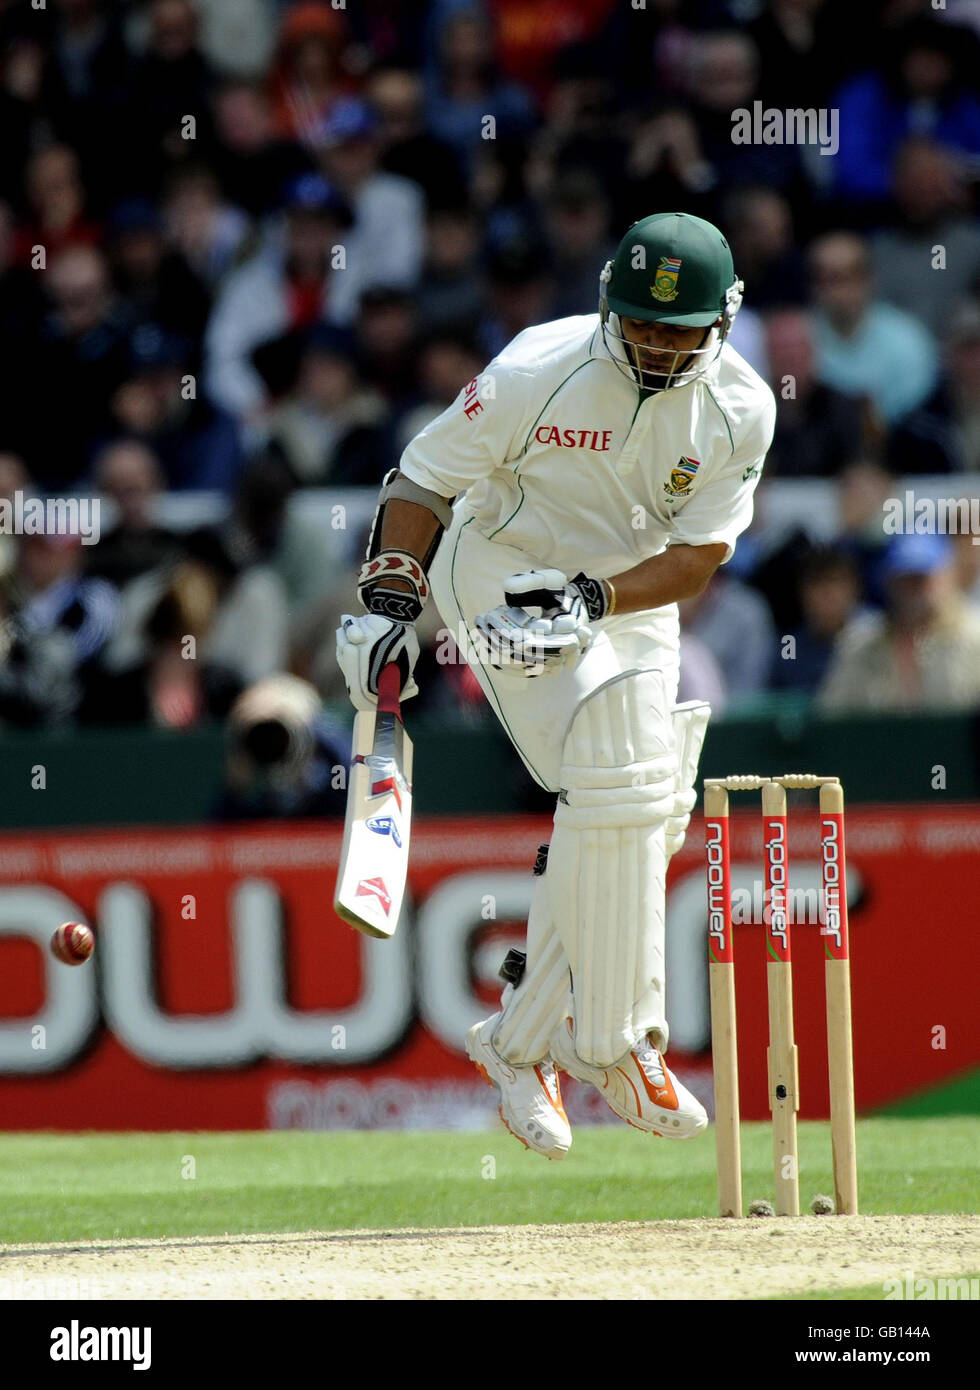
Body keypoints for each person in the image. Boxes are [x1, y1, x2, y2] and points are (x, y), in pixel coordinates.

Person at [336, 211, 775, 1158]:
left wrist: (600, 594)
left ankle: (520, 1041)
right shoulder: (537, 368)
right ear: (609, 306)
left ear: (723, 321)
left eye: (679, 329)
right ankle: (621, 1044)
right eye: (642, 324)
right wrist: (387, 601)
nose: (658, 346)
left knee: (650, 808)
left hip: (627, 591)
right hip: (503, 575)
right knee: (616, 766)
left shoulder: (741, 406)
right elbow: (420, 482)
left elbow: (699, 553)